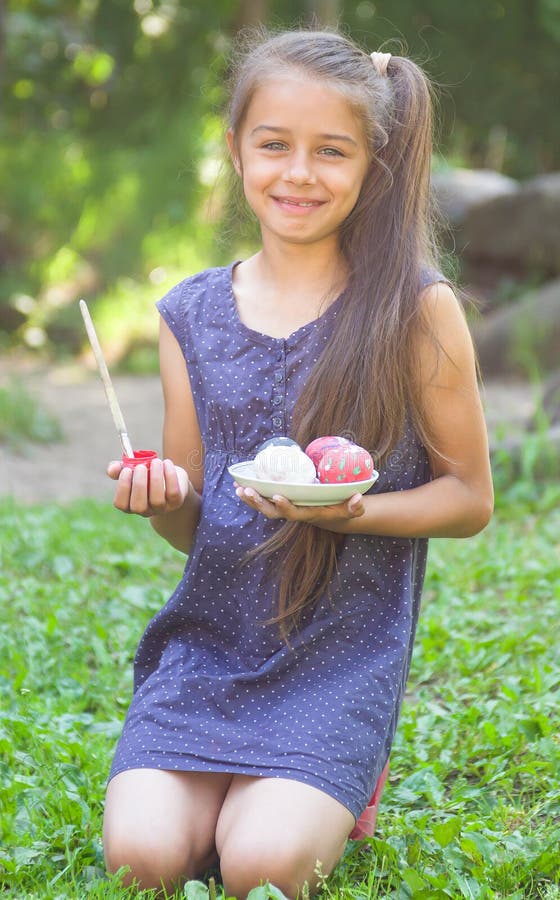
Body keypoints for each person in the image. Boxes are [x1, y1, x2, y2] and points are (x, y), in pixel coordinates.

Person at [102, 27, 494, 899]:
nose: (298, 174)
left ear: (373, 165)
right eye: (273, 144)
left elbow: (469, 499)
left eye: (332, 152)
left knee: (261, 867)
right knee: (143, 860)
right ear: (236, 148)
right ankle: (242, 787)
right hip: (207, 653)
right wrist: (160, 494)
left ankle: (334, 785)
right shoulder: (189, 315)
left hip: (337, 659)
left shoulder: (416, 310)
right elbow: (191, 524)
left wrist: (352, 512)